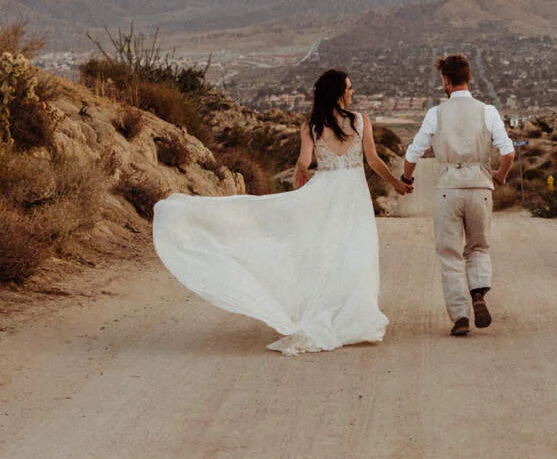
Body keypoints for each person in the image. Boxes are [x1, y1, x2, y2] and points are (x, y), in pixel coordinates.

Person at [152, 69, 411, 356]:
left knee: (325, 252)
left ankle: (328, 308)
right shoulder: (360, 121)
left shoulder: (312, 125)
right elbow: (373, 160)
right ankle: (354, 313)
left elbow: (304, 161)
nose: (352, 92)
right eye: (348, 88)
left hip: (325, 192)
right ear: (339, 92)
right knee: (355, 252)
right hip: (353, 193)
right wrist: (396, 184)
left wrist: (300, 176)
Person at [401, 54, 515, 337]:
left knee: (449, 253)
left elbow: (413, 152)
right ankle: (478, 292)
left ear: (446, 81)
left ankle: (460, 315)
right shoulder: (487, 111)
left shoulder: (435, 114)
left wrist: (406, 179)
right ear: (469, 78)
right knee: (478, 246)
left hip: (448, 189)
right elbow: (508, 152)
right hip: (480, 187)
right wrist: (500, 176)